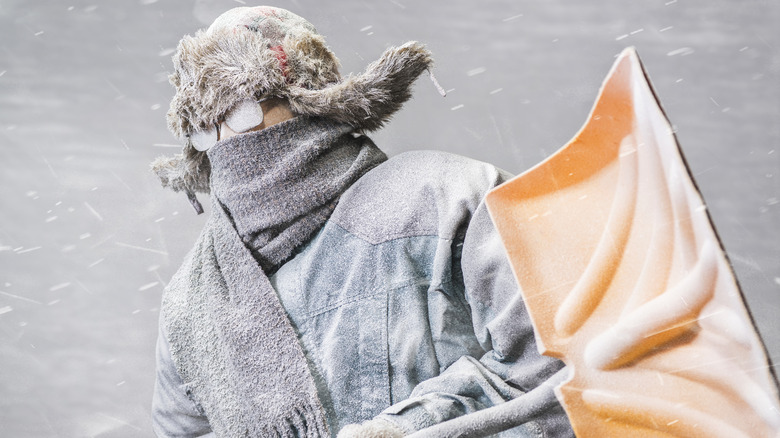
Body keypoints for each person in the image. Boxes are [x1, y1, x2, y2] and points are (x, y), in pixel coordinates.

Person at [151, 6, 574, 438]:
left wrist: (405, 430)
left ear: (308, 97)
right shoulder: (189, 303)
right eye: (205, 129)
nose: (225, 142)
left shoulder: (446, 198)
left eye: (242, 112)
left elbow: (566, 371)